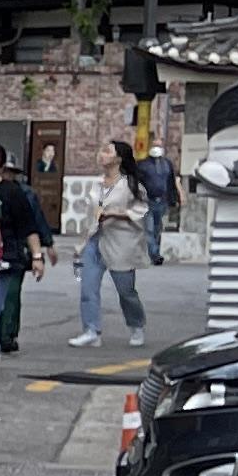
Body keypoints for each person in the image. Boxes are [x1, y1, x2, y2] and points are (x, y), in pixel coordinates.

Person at [0, 144, 51, 365]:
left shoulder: (13, 192)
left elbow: (28, 226)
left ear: (1, 167)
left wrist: (37, 257)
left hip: (5, 258)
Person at [74, 140, 149, 345]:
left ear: (118, 158)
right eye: (102, 151)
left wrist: (116, 213)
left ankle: (136, 325)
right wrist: (82, 243)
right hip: (95, 240)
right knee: (88, 287)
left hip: (121, 242)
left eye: (107, 151)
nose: (102, 154)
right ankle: (91, 330)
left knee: (126, 291)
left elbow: (140, 211)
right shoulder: (97, 185)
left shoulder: (131, 185)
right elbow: (91, 217)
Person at [139, 137, 177, 265]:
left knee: (157, 229)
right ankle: (155, 254)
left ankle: (153, 252)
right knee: (149, 229)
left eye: (159, 146)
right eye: (154, 145)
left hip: (162, 202)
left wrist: (173, 199)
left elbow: (171, 183)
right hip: (147, 201)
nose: (156, 148)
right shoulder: (142, 165)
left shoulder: (167, 164)